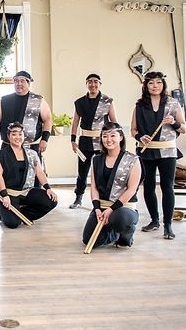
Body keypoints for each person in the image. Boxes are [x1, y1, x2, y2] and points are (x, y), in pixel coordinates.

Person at [130, 71, 186, 240]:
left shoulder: (173, 103)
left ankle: (168, 224)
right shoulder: (139, 105)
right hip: (146, 150)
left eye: (159, 83)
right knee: (148, 187)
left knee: (167, 187)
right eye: (151, 83)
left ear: (163, 85)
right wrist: (140, 137)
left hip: (168, 151)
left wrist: (173, 122)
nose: (155, 86)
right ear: (146, 86)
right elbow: (133, 130)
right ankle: (154, 220)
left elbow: (184, 128)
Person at [82, 122, 141, 249]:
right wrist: (97, 209)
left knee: (120, 219)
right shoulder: (96, 159)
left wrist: (111, 209)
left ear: (120, 137)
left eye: (112, 135)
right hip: (102, 206)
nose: (108, 140)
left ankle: (125, 235)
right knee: (89, 240)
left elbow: (131, 190)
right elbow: (94, 187)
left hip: (123, 208)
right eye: (105, 136)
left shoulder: (133, 160)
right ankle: (113, 232)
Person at [0, 122, 57, 229]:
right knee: (13, 224)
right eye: (14, 134)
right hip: (8, 193)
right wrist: (5, 195)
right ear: (8, 137)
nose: (17, 137)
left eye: (20, 134)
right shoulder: (0, 155)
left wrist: (48, 188)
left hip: (26, 191)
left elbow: (39, 172)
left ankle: (20, 212)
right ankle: (4, 213)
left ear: (23, 136)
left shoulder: (32, 153)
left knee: (51, 201)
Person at [69, 73, 117, 209]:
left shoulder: (107, 101)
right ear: (86, 84)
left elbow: (114, 122)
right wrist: (73, 140)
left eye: (96, 82)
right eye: (90, 82)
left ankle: (104, 198)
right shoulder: (80, 102)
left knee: (103, 170)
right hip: (84, 141)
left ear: (100, 84)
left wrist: (114, 140)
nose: (93, 84)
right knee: (82, 172)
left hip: (103, 141)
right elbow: (75, 123)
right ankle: (78, 198)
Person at [0, 71, 52, 155]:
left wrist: (44, 139)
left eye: (22, 81)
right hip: (8, 147)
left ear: (28, 83)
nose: (19, 83)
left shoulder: (38, 100)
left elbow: (48, 119)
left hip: (31, 147)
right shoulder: (4, 100)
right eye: (16, 81)